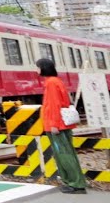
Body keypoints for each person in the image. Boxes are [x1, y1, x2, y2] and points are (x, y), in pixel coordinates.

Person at [37, 57, 87, 194]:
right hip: (60, 125)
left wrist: (53, 125)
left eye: (38, 67)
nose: (37, 70)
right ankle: (72, 182)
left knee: (64, 155)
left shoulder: (51, 83)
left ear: (43, 68)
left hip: (57, 126)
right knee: (65, 154)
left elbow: (54, 105)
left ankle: (76, 183)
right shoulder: (54, 81)